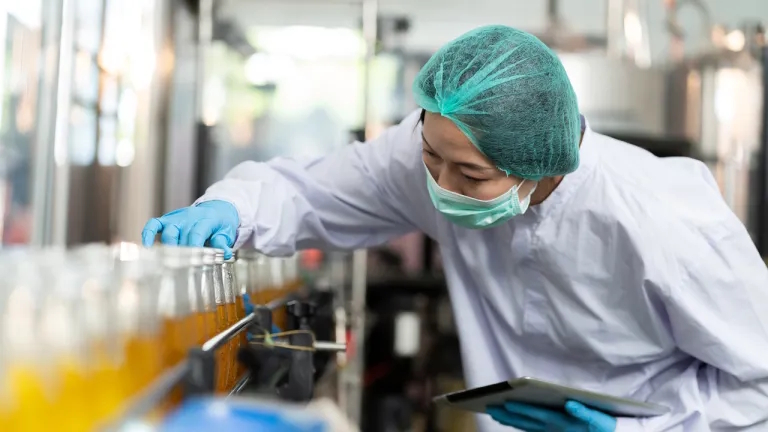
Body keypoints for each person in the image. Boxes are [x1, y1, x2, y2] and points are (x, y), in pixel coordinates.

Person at [143, 25, 768, 431]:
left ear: (542, 164)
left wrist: (639, 430)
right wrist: (233, 208)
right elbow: (312, 190)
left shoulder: (662, 218)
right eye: (430, 155)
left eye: (471, 175)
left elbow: (760, 385)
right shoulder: (433, 155)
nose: (441, 185)